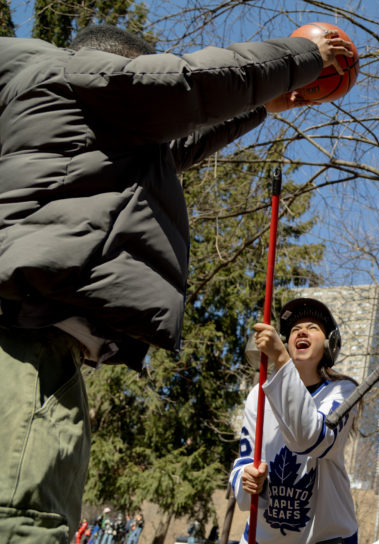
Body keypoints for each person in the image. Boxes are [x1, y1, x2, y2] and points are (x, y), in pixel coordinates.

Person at [0, 23, 353, 544]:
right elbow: (191, 83)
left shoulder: (57, 116)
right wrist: (304, 55)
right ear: (124, 72)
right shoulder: (85, 77)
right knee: (22, 520)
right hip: (30, 346)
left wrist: (260, 108)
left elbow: (169, 151)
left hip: (36, 340)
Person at [229, 298, 359, 543]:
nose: (302, 331)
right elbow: (243, 462)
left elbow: (309, 440)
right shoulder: (258, 395)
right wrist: (247, 478)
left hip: (327, 538)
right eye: (294, 329)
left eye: (313, 327)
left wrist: (280, 358)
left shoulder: (343, 392)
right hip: (262, 537)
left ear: (330, 343)